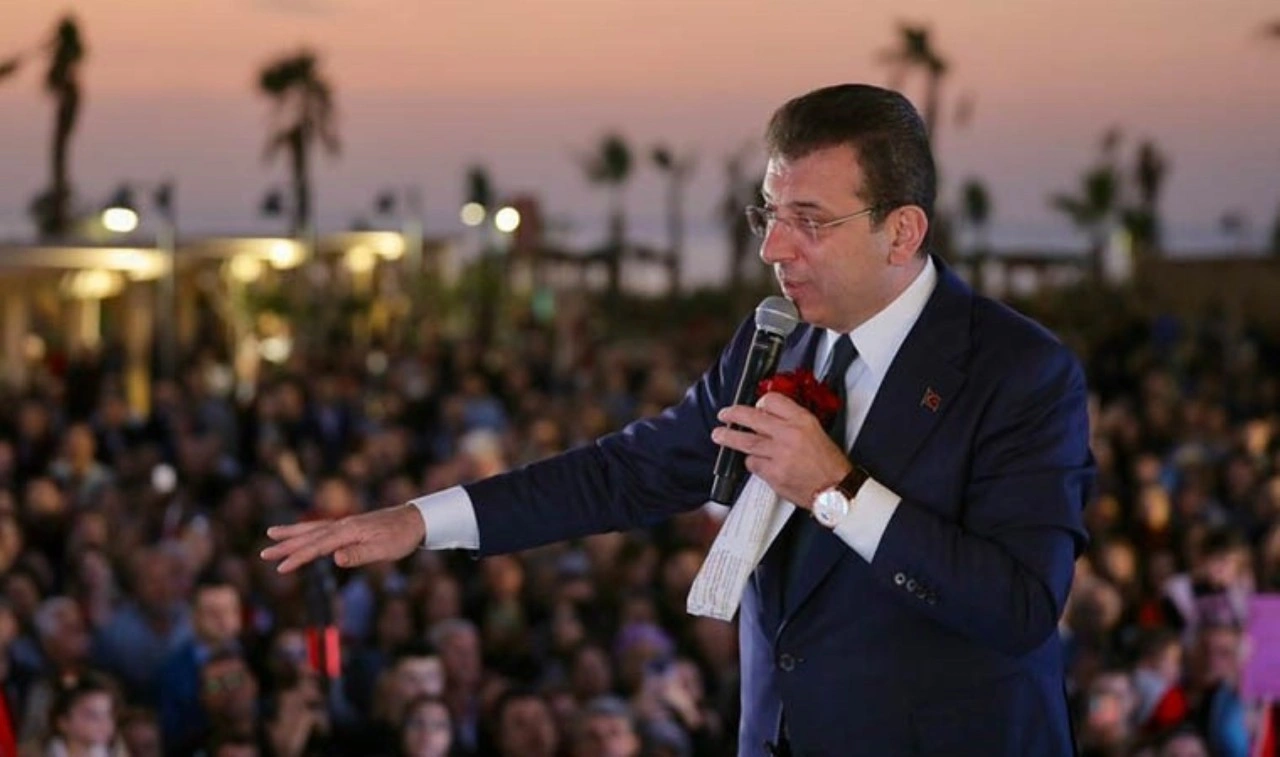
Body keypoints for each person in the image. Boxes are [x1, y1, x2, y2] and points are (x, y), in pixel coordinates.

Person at [263, 83, 1094, 756]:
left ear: (901, 231)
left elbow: (1019, 606)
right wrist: (419, 520)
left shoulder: (1019, 372)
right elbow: (624, 472)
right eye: (768, 214)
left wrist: (837, 490)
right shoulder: (775, 341)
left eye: (809, 221)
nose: (773, 249)